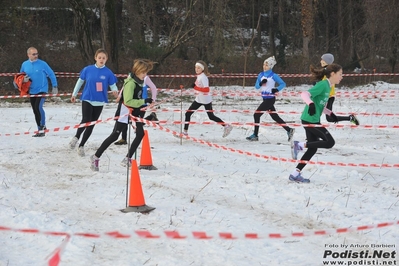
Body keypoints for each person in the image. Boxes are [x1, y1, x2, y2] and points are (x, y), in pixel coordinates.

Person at [90, 59, 155, 171]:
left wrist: (145, 102)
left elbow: (137, 98)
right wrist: (144, 101)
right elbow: (129, 101)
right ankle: (95, 157)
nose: (145, 75)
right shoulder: (131, 83)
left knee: (140, 133)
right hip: (125, 112)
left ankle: (127, 158)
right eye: (143, 72)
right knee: (114, 136)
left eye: (146, 73)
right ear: (137, 71)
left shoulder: (139, 81)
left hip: (135, 111)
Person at [289, 63, 343, 183]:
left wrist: (330, 113)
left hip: (312, 119)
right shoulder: (323, 84)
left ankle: (295, 174)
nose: (342, 77)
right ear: (332, 74)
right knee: (329, 142)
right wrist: (311, 104)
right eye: (340, 74)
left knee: (312, 149)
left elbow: (320, 104)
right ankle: (299, 145)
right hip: (310, 119)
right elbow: (304, 94)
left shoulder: (329, 86)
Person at [68, 48, 119, 156]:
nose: (101, 59)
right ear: (95, 58)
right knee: (86, 119)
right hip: (87, 98)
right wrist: (74, 94)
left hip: (99, 101)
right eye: (99, 57)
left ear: (106, 59)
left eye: (103, 58)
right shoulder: (88, 69)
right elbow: (80, 82)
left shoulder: (108, 72)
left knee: (91, 124)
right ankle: (76, 137)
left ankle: (81, 145)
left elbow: (113, 85)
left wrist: (115, 91)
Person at [246, 56, 295, 142]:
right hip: (265, 99)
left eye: (267, 65)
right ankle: (289, 130)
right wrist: (261, 83)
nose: (264, 66)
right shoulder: (260, 75)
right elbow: (257, 87)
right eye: (264, 64)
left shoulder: (273, 75)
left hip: (270, 99)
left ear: (271, 66)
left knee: (256, 115)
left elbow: (283, 84)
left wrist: (276, 89)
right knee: (275, 117)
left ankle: (255, 135)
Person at [182, 60, 232, 138]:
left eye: (198, 68)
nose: (196, 69)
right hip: (199, 99)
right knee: (188, 113)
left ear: (202, 69)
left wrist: (196, 87)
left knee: (211, 116)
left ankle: (227, 126)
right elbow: (198, 86)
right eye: (195, 67)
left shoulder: (203, 77)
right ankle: (185, 133)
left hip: (205, 100)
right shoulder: (199, 76)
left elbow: (206, 89)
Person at [20, 47, 58, 137]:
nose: (36, 56)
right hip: (32, 90)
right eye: (33, 54)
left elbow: (51, 73)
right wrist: (23, 80)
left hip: (42, 89)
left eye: (37, 54)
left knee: (38, 107)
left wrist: (55, 86)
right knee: (34, 109)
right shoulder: (24, 64)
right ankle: (39, 129)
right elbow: (19, 76)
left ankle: (42, 126)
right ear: (28, 55)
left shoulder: (43, 64)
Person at [114, 75, 159, 145]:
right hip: (130, 103)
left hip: (141, 103)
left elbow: (153, 88)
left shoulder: (145, 78)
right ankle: (123, 138)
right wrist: (120, 96)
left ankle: (150, 118)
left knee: (137, 123)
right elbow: (124, 87)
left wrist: (153, 100)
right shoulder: (131, 76)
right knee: (124, 120)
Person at [319, 53, 359, 125]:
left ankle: (350, 118)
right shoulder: (326, 70)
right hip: (327, 96)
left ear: (326, 61)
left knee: (329, 118)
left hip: (329, 97)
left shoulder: (328, 71)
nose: (320, 61)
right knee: (326, 117)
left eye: (322, 60)